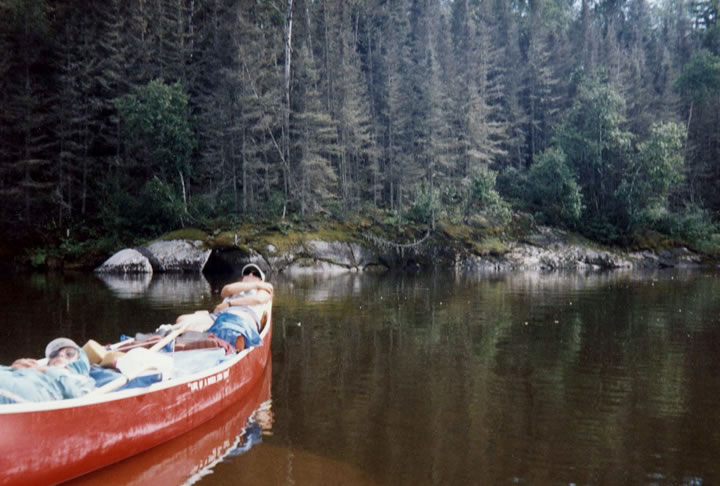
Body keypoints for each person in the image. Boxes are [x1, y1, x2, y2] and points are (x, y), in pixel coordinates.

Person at [174, 263, 273, 350]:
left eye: (255, 274)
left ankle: (214, 341)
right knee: (182, 320)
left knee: (228, 331)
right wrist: (254, 284)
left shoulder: (264, 289)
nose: (250, 274)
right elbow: (225, 290)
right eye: (247, 273)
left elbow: (258, 299)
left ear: (261, 280)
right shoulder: (235, 288)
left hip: (242, 315)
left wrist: (229, 304)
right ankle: (200, 339)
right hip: (220, 315)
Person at [0, 338, 96, 404]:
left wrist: (48, 370)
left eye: (69, 353)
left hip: (38, 393)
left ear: (81, 361)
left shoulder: (83, 379)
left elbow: (78, 398)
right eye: (54, 354)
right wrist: (12, 368)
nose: (60, 355)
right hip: (17, 381)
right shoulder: (37, 369)